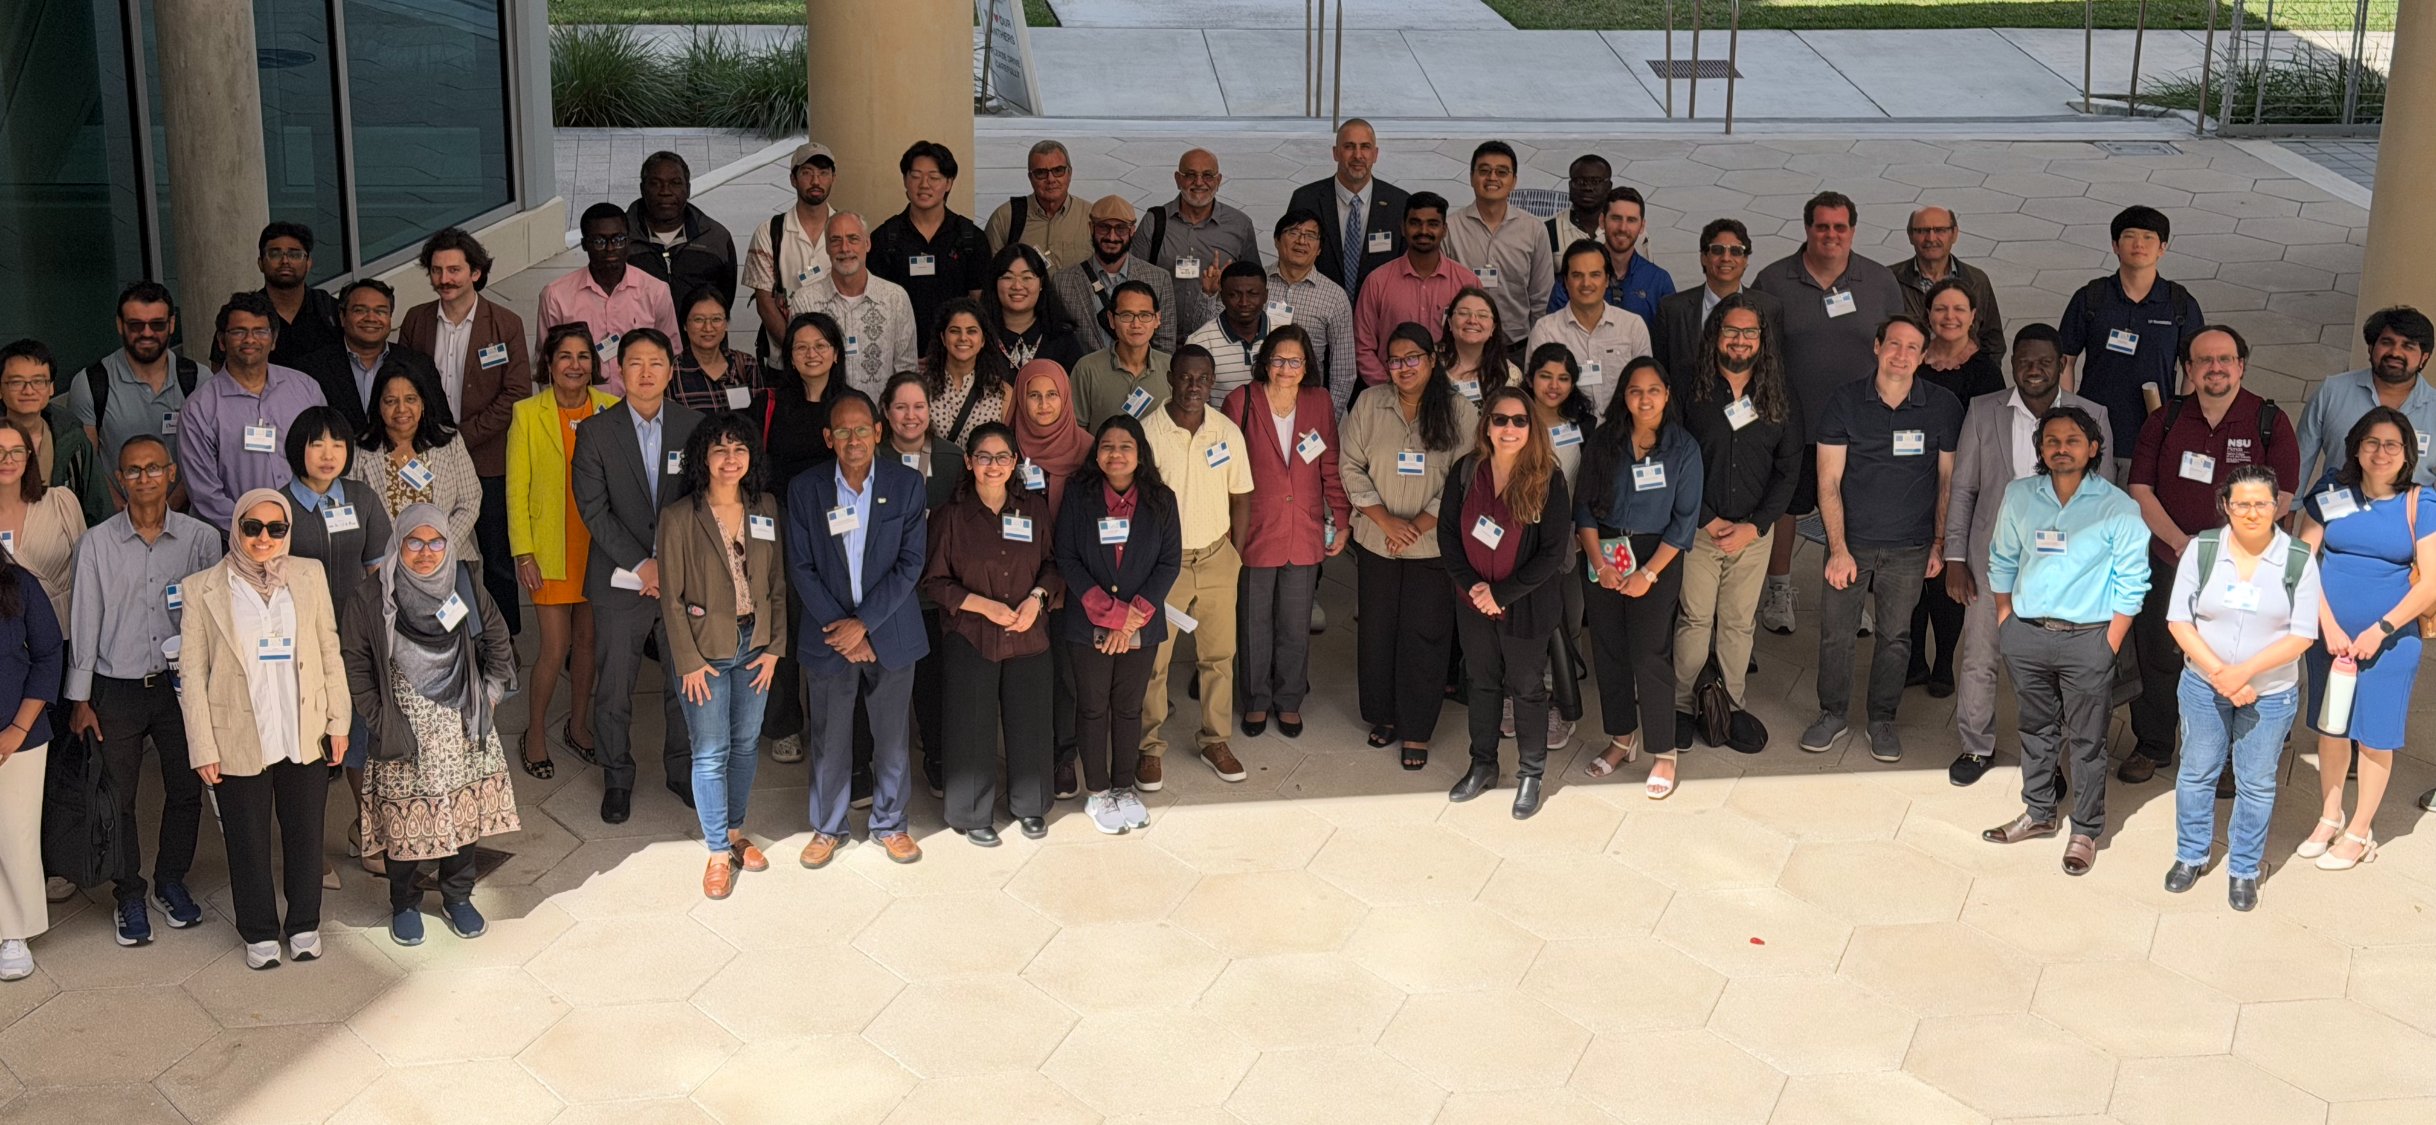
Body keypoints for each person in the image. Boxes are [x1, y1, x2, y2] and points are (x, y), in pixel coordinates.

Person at [179, 489, 350, 970]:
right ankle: (257, 931)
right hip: (236, 733)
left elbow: (328, 649)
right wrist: (202, 746)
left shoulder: (309, 574)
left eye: (276, 529)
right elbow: (192, 674)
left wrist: (339, 719)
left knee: (305, 833)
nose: (264, 538)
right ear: (236, 527)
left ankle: (304, 924)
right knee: (247, 838)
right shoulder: (202, 588)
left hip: (304, 729)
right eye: (252, 527)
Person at [2123, 325, 2299, 783]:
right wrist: (2183, 544)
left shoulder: (2268, 421)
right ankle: (2154, 744)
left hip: (2241, 568)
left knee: (2232, 655)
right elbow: (2140, 488)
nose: (2215, 368)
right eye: (2204, 360)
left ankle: (2225, 759)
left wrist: (2228, 550)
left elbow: (2283, 497)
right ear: (2189, 369)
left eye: (2225, 359)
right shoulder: (2165, 420)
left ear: (2241, 366)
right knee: (2160, 652)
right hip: (2171, 558)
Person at [1979, 406, 2150, 876]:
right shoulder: (2020, 496)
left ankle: (2086, 830)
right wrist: (2006, 622)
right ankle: (2038, 812)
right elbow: (2002, 560)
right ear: (2040, 450)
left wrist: (2108, 644)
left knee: (2088, 741)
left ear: (2093, 448)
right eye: (2051, 441)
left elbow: (2132, 583)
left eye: (2073, 440)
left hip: (2088, 640)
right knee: (2035, 730)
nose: (2061, 448)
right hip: (2027, 636)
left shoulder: (2118, 507)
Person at [64, 435, 219, 946]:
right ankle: (128, 891)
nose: (145, 478)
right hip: (118, 688)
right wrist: (81, 699)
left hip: (181, 688)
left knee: (185, 788)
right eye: (133, 471)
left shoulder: (201, 539)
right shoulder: (96, 543)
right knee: (119, 797)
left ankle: (170, 881)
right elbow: (85, 620)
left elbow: (212, 620)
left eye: (154, 468)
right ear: (119, 480)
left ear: (172, 474)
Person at [1942, 324, 2112, 787]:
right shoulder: (1983, 411)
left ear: (2061, 365)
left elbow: (2103, 496)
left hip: (2063, 569)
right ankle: (1975, 747)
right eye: (2023, 362)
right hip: (1992, 561)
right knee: (1980, 656)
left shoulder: (2092, 414)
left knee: (2051, 668)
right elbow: (1964, 489)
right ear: (2010, 364)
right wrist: (1955, 556)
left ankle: (2048, 763)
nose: (2032, 370)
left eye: (2043, 362)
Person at [342, 504, 519, 942]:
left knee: (463, 813)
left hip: (462, 722)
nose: (426, 552)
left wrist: (491, 695)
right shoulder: (372, 596)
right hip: (403, 726)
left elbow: (497, 638)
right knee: (406, 819)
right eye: (414, 542)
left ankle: (458, 897)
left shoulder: (463, 583)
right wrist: (379, 717)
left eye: (436, 541)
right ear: (397, 544)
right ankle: (404, 903)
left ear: (448, 543)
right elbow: (356, 663)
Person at [1802, 315, 1962, 763]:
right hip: (1850, 543)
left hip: (1910, 548)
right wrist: (1837, 549)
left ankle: (1882, 718)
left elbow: (1947, 480)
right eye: (1894, 343)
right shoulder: (1845, 402)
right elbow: (1827, 480)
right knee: (1836, 633)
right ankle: (1832, 713)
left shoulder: (1943, 406)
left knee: (1896, 636)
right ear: (1877, 346)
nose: (1902, 354)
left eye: (1913, 347)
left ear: (1924, 356)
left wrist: (1938, 543)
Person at [1750, 192, 1909, 636]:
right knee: (1785, 507)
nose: (1831, 235)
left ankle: (1848, 593)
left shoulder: (1878, 282)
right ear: (1807, 229)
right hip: (1790, 421)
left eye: (1840, 227)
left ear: (1853, 231)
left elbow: (1897, 349)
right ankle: (1779, 590)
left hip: (1859, 425)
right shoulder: (1773, 279)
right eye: (1822, 226)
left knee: (1852, 509)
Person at [2166, 465, 2319, 910]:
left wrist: (2244, 673)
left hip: (2269, 694)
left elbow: (2302, 634)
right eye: (2242, 504)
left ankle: (2244, 868)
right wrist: (2221, 674)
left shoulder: (2297, 559)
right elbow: (2179, 619)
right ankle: (2190, 854)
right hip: (2203, 685)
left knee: (2256, 782)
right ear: (2225, 507)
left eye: (2262, 504)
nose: (2252, 513)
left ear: (2277, 506)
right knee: (2196, 771)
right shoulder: (2202, 550)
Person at [786, 391, 929, 867]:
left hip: (889, 631)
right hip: (829, 635)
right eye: (842, 431)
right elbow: (801, 567)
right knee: (829, 736)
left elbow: (911, 565)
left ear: (878, 433)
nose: (853, 439)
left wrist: (864, 626)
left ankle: (890, 824)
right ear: (829, 438)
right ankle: (827, 828)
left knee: (891, 736)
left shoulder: (906, 484)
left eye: (862, 429)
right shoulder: (805, 489)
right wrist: (843, 630)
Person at [2294, 407, 2435, 872]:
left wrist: (2382, 629)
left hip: (2390, 643)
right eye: (2371, 442)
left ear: (2407, 454)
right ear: (2356, 446)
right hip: (2329, 638)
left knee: (2374, 736)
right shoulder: (2330, 493)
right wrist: (2327, 625)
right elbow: (2303, 561)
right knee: (2331, 729)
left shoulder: (2421, 503)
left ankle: (2359, 829)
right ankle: (2329, 816)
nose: (2381, 452)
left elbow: (2432, 582)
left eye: (2392, 445)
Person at [570, 329, 703, 823]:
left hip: (682, 577)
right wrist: (643, 564)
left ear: (671, 370)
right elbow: (593, 509)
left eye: (656, 363)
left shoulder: (696, 427)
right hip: (619, 579)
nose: (645, 373)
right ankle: (617, 776)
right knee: (614, 685)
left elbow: (704, 500)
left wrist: (669, 564)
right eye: (635, 364)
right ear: (618, 371)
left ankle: (680, 768)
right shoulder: (595, 432)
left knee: (683, 678)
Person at [656, 418, 785, 898]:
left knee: (747, 744)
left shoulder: (765, 507)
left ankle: (734, 833)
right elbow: (670, 598)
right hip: (704, 651)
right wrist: (686, 660)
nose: (730, 459)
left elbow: (776, 586)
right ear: (702, 459)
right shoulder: (679, 517)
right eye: (719, 450)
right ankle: (715, 851)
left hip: (755, 646)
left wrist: (775, 648)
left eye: (739, 449)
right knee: (710, 753)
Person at [1341, 323, 1479, 769]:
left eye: (1412, 359)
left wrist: (1417, 526)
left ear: (1432, 359)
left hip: (1433, 546)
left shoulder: (1459, 411)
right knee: (1378, 632)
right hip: (1376, 541)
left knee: (1425, 636)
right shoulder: (1369, 402)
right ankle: (1384, 715)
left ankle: (1417, 729)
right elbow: (1350, 464)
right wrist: (1384, 521)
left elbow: (1465, 476)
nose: (1403, 368)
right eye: (1395, 360)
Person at [1670, 296, 1801, 755]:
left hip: (1753, 535)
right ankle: (1684, 707)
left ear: (1762, 340)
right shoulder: (1690, 384)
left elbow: (1789, 468)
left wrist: (1756, 526)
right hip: (1698, 530)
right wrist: (1705, 518)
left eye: (1750, 332)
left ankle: (1730, 703)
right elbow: (1673, 455)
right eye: (1731, 331)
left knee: (1738, 624)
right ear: (1715, 334)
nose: (1740, 341)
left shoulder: (1778, 390)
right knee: (1694, 619)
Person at [921, 423, 1062, 844]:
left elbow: (1053, 567)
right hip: (971, 636)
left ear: (1015, 462)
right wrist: (985, 606)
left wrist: (1036, 599)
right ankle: (970, 813)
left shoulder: (1034, 509)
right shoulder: (951, 516)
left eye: (1003, 457)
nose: (993, 465)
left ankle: (1030, 806)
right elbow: (934, 582)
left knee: (1032, 722)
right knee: (970, 725)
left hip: (1027, 633)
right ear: (969, 462)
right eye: (984, 456)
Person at [1440, 385, 1574, 820]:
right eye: (1501, 419)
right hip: (1473, 602)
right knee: (1481, 683)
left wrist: (1501, 593)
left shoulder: (1548, 478)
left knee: (1528, 689)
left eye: (1520, 420)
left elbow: (1553, 552)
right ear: (1487, 425)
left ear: (1530, 427)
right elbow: (1447, 536)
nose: (1510, 428)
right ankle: (1482, 764)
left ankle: (1531, 774)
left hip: (1525, 607)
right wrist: (1475, 589)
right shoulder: (1465, 471)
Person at [1575, 359, 1702, 798]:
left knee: (1650, 652)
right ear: (1623, 396)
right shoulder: (1603, 443)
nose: (1644, 399)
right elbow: (1585, 509)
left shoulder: (1683, 447)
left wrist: (1647, 573)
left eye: (1653, 390)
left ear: (1667, 394)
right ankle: (1621, 739)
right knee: (1608, 649)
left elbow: (1684, 524)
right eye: (1634, 390)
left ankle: (1664, 752)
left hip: (1655, 557)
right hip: (1605, 553)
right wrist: (1600, 562)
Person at [1054, 414, 1182, 834]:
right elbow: (1067, 558)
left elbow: (1168, 563)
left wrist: (1131, 621)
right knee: (1092, 708)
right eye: (1107, 446)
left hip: (1140, 626)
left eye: (1125, 446)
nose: (1115, 454)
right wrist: (1111, 615)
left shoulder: (1162, 499)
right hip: (1088, 621)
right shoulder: (1079, 495)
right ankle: (1097, 792)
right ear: (1097, 453)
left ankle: (1124, 787)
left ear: (1140, 453)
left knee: (1128, 708)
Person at [399, 227, 529, 637]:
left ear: (475, 272)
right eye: (437, 271)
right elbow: (402, 383)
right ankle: (440, 632)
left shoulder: (505, 323)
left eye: (454, 269)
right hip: (427, 459)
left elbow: (516, 393)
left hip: (486, 457)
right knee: (432, 546)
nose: (445, 279)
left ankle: (503, 641)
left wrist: (461, 437)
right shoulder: (417, 320)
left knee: (496, 556)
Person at [1222, 325, 1349, 747]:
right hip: (1254, 529)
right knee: (1254, 620)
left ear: (1307, 364)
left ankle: (1289, 696)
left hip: (1305, 529)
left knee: (1296, 622)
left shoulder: (1319, 401)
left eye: (1295, 361)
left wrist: (1342, 518)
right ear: (1265, 361)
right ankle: (1256, 697)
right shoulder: (1240, 400)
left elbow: (1329, 463)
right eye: (1278, 360)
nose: (1286, 369)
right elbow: (1223, 470)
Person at [280, 406, 394, 873]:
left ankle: (366, 831)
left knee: (359, 738)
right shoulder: (278, 505)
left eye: (338, 444)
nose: (328, 455)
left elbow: (380, 569)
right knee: (306, 748)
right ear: (298, 449)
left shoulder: (362, 498)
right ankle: (308, 853)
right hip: (297, 646)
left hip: (356, 640)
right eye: (316, 443)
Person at [1137, 346, 1253, 789]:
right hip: (1165, 565)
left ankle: (1215, 739)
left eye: (1202, 379)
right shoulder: (1148, 433)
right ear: (1170, 378)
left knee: (1219, 656)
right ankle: (1148, 747)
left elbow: (1241, 495)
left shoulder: (1226, 432)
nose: (1193, 387)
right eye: (1185, 378)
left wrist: (1234, 555)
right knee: (1153, 660)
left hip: (1217, 557)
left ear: (1211, 382)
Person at [509, 325, 617, 778]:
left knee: (588, 645)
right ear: (549, 364)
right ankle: (534, 733)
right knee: (555, 648)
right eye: (565, 356)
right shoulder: (528, 413)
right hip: (549, 549)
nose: (575, 365)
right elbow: (516, 489)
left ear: (594, 363)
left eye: (583, 356)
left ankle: (578, 726)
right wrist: (523, 553)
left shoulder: (611, 409)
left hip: (599, 547)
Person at [755, 313, 849, 769]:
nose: (811, 354)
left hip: (841, 525)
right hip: (786, 525)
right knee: (786, 623)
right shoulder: (772, 402)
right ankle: (785, 723)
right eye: (801, 347)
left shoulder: (851, 404)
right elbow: (757, 468)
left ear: (835, 350)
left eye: (820, 345)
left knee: (835, 616)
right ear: (789, 356)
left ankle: (839, 721)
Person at [1907, 278, 2010, 697]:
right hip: (1911, 478)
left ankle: (1942, 662)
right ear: (1928, 315)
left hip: (1962, 481)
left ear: (1973, 317)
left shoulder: (1984, 369)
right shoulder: (1914, 358)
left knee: (1948, 574)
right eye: (1941, 309)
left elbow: (1989, 430)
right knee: (1911, 573)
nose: (1949, 317)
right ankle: (1912, 659)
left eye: (1958, 310)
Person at [1010, 358, 1099, 801]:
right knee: (1026, 671)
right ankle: (1027, 753)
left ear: (1065, 398)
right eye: (1033, 394)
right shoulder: (1004, 446)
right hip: (1014, 581)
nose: (1043, 405)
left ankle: (1064, 755)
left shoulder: (1086, 450)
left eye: (1051, 395)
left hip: (1070, 580)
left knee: (1066, 673)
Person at [2060, 205, 2207, 462]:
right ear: (2115, 245)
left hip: (2152, 430)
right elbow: (2066, 359)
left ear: (2163, 247)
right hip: (2093, 431)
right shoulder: (2092, 298)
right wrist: (2068, 413)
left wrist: (2181, 421)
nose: (2139, 244)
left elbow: (2194, 369)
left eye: (2148, 237)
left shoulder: (2179, 304)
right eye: (2129, 236)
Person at [179, 293, 330, 528]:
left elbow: (327, 459)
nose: (250, 339)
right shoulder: (199, 408)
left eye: (260, 331)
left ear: (274, 339)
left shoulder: (306, 389)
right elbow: (204, 493)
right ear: (221, 341)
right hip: (237, 541)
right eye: (239, 331)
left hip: (306, 530)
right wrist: (257, 530)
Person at [883, 372, 966, 794]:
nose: (911, 416)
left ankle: (936, 756)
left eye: (919, 407)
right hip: (890, 595)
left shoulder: (953, 459)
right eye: (901, 407)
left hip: (938, 594)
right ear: (886, 412)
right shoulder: (875, 458)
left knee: (936, 684)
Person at [1522, 343, 1599, 749]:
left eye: (1564, 378)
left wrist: (1583, 533)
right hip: (1517, 538)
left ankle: (1562, 708)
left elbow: (1589, 485)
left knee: (1566, 621)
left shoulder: (1584, 426)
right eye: (1546, 375)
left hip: (1566, 539)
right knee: (1520, 620)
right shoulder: (1512, 415)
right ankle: (1522, 698)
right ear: (1530, 376)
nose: (1554, 386)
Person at [0, 533, 62, 982]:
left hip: (16, 735)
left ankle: (13, 931)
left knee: (14, 835)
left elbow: (47, 656)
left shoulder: (18, 584)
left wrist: (17, 730)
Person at [538, 203, 680, 394]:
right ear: (584, 244)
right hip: (580, 410)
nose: (610, 248)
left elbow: (672, 354)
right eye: (599, 241)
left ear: (629, 241)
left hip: (641, 404)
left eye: (619, 239)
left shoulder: (655, 291)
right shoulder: (556, 296)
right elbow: (545, 365)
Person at [2294, 306, 2436, 487]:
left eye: (2408, 346)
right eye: (2387, 342)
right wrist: (2289, 508)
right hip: (2337, 512)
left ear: (2424, 357)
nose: (2395, 352)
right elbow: (2299, 460)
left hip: (2413, 514)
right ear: (2370, 348)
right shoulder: (2332, 391)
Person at [65, 280, 201, 469]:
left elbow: (205, 460)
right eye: (136, 325)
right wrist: (122, 501)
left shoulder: (199, 380)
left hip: (188, 498)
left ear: (171, 324)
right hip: (114, 498)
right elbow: (89, 470)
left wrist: (171, 500)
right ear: (120, 324)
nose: (147, 333)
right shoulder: (90, 384)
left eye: (157, 324)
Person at [870, 139, 993, 348]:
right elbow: (874, 304)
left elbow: (979, 304)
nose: (924, 185)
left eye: (934, 177)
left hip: (956, 352)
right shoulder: (885, 238)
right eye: (915, 176)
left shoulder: (970, 238)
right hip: (898, 352)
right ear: (905, 180)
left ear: (949, 183)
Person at [351, 366, 482, 558]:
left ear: (423, 403)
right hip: (385, 561)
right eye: (391, 401)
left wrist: (439, 550)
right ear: (378, 406)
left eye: (410, 399)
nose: (401, 409)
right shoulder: (360, 451)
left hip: (445, 557)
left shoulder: (449, 441)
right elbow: (353, 513)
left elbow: (470, 501)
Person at [1353, 193, 1480, 389]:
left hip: (1453, 392)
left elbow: (1479, 342)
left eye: (1433, 224)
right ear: (1402, 228)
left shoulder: (1467, 283)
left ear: (1444, 229)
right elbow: (1363, 347)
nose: (1424, 230)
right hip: (1391, 394)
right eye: (1415, 223)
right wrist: (1388, 388)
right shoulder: (1377, 282)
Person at [1133, 148, 1261, 338]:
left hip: (1218, 338)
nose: (1199, 182)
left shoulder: (1239, 225)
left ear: (1218, 181)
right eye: (1190, 175)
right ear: (1178, 179)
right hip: (1159, 338)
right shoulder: (1155, 222)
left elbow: (1254, 284)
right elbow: (1133, 280)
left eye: (1208, 175)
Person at [297, 279, 441, 440]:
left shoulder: (419, 365)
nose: (371, 318)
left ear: (390, 318)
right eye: (360, 310)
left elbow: (441, 424)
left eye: (380, 311)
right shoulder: (312, 369)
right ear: (343, 317)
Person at [798, 212, 920, 399]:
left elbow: (906, 370)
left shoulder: (895, 298)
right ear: (827, 249)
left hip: (881, 420)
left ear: (868, 244)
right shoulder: (806, 301)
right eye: (836, 240)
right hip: (823, 419)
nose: (845, 248)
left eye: (853, 239)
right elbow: (799, 369)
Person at [1527, 241, 1655, 416]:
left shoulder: (1632, 326)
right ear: (1565, 281)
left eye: (1595, 274)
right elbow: (1536, 395)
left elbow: (1644, 387)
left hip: (1620, 434)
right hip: (1567, 434)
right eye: (1577, 275)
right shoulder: (1545, 331)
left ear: (1607, 280)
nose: (1586, 283)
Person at [1286, 119, 1407, 304]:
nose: (1358, 155)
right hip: (1318, 308)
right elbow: (1290, 259)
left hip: (1379, 311)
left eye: (1365, 147)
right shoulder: (1305, 199)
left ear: (1375, 154)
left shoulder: (1400, 203)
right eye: (1349, 147)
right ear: (1335, 153)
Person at [1650, 219, 1782, 389]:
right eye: (1717, 250)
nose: (1726, 258)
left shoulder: (1770, 308)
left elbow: (1773, 369)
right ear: (1704, 258)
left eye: (1736, 251)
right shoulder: (1673, 310)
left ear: (1745, 261)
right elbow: (1662, 372)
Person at [1446, 141, 1554, 347]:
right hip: (1463, 345)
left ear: (1514, 181)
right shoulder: (1450, 228)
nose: (1492, 178)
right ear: (1471, 177)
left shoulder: (1533, 229)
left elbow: (1541, 297)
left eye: (1502, 172)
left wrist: (1536, 345)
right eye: (1484, 171)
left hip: (1517, 345)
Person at [0, 340, 109, 527]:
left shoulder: (72, 438)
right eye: (17, 382)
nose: (29, 391)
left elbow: (99, 511)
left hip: (66, 550)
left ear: (51, 387)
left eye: (39, 381)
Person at [1052, 196, 1179, 355]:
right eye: (1104, 227)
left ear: (1132, 231)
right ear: (1091, 228)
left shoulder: (1159, 279)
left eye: (1121, 228)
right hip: (1086, 377)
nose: (1112, 237)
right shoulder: (1063, 281)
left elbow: (1164, 346)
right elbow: (1059, 342)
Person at [743, 142, 837, 355]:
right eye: (807, 173)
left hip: (837, 358)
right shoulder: (769, 232)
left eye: (823, 173)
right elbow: (764, 301)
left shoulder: (847, 230)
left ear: (834, 178)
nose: (816, 181)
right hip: (784, 359)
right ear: (793, 179)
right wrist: (795, 349)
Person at [1267, 210, 1359, 411]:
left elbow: (1343, 371)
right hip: (1258, 399)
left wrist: (1326, 417)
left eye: (1310, 236)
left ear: (1319, 249)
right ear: (1276, 240)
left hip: (1307, 404)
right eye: (1293, 232)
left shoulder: (1334, 296)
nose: (1301, 241)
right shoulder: (1256, 285)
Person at [625, 150, 740, 308]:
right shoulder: (620, 239)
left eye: (675, 183)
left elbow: (725, 299)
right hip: (641, 333)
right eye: (655, 183)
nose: (665, 191)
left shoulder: (716, 237)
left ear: (688, 189)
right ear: (642, 189)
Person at [1547, 188, 1676, 326]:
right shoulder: (1574, 278)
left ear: (1642, 226)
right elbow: (1553, 332)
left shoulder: (1658, 281)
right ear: (1602, 221)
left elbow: (1672, 338)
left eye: (1631, 220)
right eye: (1616, 218)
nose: (1623, 228)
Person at [1895, 207, 2005, 361]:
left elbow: (1992, 339)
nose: (1931, 238)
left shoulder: (1977, 280)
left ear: (1954, 234)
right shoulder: (1891, 279)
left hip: (1966, 378)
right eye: (1921, 231)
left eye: (1940, 230)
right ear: (1910, 235)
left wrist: (1982, 374)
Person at [1071, 281, 1173, 429]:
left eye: (1145, 315)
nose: (1136, 324)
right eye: (1126, 315)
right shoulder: (1087, 369)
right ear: (1111, 320)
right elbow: (1077, 430)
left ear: (1157, 319)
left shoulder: (1171, 368)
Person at [986, 139, 1093, 272]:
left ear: (1069, 174)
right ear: (1030, 178)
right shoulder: (1005, 219)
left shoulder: (1091, 218)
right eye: (1041, 173)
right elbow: (991, 275)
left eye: (1058, 170)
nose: (1051, 179)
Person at [983, 243, 1087, 375]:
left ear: (1041, 283)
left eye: (1027, 277)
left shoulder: (1062, 339)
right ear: (995, 283)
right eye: (1008, 277)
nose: (1017, 286)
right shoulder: (980, 336)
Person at [251, 222, 342, 369]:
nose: (285, 261)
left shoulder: (330, 310)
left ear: (308, 263)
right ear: (260, 263)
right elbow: (221, 371)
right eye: (275, 254)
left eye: (295, 254)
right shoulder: (244, 313)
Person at [925, 298, 1016, 444]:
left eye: (971, 331)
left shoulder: (1002, 392)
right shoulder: (921, 387)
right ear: (943, 338)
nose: (963, 338)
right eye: (955, 331)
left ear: (983, 340)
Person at [669, 286, 768, 417]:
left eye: (716, 319)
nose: (708, 328)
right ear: (685, 325)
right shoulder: (672, 371)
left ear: (726, 323)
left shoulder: (745, 364)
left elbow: (759, 419)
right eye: (699, 319)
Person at [1186, 262, 1278, 399]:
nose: (1244, 302)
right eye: (1234, 295)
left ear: (1265, 296)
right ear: (1222, 297)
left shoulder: (1283, 336)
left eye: (1253, 294)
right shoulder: (1200, 342)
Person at [1440, 289, 1518, 401]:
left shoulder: (1510, 374)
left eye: (1482, 315)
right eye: (1463, 313)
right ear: (1450, 323)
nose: (1472, 320)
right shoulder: (1431, 368)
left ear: (1493, 328)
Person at [1548, 154, 1611, 254]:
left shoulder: (1625, 229)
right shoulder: (1550, 230)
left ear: (1609, 187)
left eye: (1595, 181)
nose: (1588, 188)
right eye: (1580, 181)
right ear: (1570, 186)